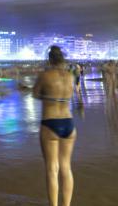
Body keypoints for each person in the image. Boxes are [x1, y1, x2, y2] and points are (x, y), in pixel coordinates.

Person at [33, 46, 76, 206]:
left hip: (50, 122)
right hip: (68, 123)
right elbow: (70, 94)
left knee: (52, 169)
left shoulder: (45, 75)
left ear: (50, 59)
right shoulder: (70, 76)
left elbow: (35, 94)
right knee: (66, 167)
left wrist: (46, 95)